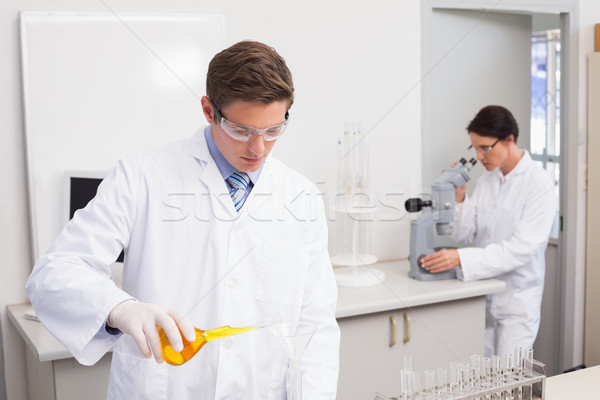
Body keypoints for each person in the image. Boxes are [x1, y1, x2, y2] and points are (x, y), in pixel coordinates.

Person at [26, 41, 340, 399]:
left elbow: (315, 326)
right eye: (242, 131)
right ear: (209, 110)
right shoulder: (141, 176)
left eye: (272, 131)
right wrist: (120, 309)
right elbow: (55, 273)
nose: (259, 149)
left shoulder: (302, 195)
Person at [421, 105, 556, 357]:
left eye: (485, 147)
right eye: (475, 148)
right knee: (481, 382)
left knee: (507, 385)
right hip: (483, 297)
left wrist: (461, 258)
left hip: (516, 303)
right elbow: (465, 234)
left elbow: (521, 249)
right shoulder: (487, 179)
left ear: (509, 139)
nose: (480, 156)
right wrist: (459, 198)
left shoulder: (539, 184)